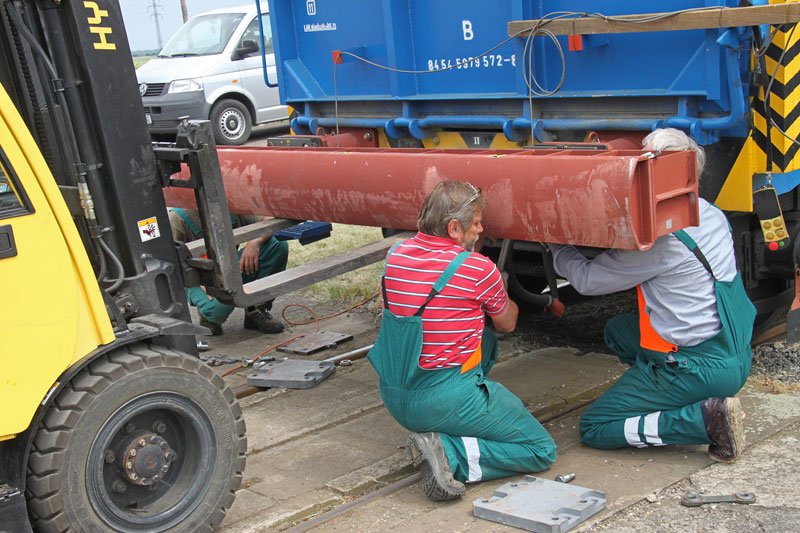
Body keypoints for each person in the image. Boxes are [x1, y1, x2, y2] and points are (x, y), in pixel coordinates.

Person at [550, 128, 756, 463]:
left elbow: (586, 281)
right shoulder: (712, 213)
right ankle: (666, 393)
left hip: (695, 365)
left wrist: (556, 243)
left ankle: (701, 420)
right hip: (732, 352)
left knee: (595, 426)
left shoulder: (661, 243)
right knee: (618, 330)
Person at [367, 181, 557, 502]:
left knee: (485, 342)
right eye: (477, 223)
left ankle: (448, 430)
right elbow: (508, 323)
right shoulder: (480, 271)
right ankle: (451, 454)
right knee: (540, 449)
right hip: (443, 399)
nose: (482, 229)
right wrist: (503, 289)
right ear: (454, 227)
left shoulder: (395, 255)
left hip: (395, 395)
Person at [168, 207, 289, 335]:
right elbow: (169, 262)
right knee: (216, 310)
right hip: (197, 278)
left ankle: (256, 309)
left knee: (277, 245)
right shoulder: (177, 218)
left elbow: (269, 219)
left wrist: (254, 242)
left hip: (227, 268)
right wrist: (199, 280)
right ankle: (208, 317)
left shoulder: (230, 204)